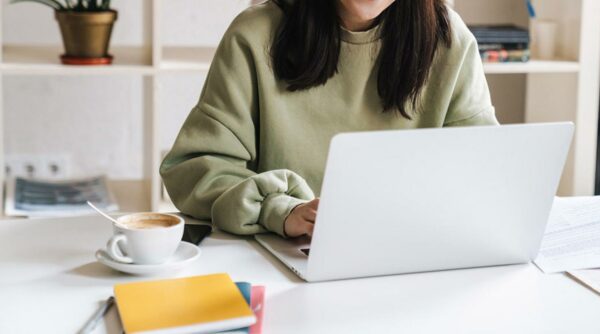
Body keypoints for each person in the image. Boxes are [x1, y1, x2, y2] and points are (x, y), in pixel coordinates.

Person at [160, 0, 498, 239]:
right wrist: (279, 210)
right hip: (281, 260)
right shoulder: (254, 35)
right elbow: (195, 169)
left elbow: (486, 178)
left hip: (413, 258)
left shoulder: (450, 40)